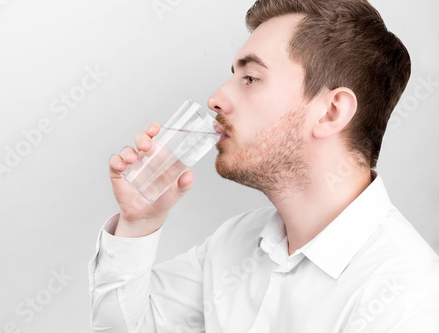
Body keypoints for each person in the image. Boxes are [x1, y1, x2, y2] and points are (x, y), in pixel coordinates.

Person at [89, 0, 439, 332]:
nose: (215, 98)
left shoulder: (407, 297)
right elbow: (128, 326)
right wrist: (140, 221)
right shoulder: (234, 243)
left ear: (331, 112)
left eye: (251, 78)